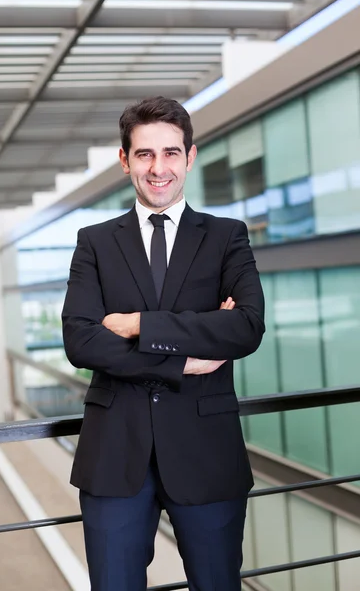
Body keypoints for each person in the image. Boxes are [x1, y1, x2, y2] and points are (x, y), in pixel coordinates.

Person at [62, 96, 265, 591]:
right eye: (145, 154)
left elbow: (245, 328)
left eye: (171, 153)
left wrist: (137, 326)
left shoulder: (226, 237)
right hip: (114, 458)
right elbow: (80, 340)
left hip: (207, 456)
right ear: (125, 159)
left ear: (190, 157)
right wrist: (184, 358)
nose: (159, 168)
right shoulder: (95, 241)